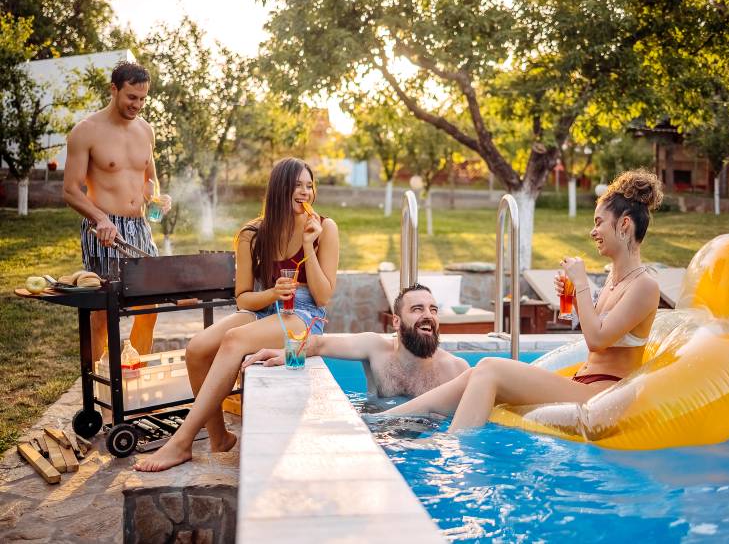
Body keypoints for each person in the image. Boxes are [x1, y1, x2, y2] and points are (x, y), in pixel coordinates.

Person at [385, 169, 663, 432]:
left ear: (624, 224)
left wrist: (580, 284)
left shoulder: (645, 286)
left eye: (599, 222)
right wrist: (575, 299)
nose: (593, 232)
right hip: (582, 381)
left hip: (601, 394)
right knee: (479, 370)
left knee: (491, 369)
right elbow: (595, 334)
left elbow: (598, 339)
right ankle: (387, 419)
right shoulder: (614, 281)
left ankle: (453, 449)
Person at [133, 157, 339, 472]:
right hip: (266, 306)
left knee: (233, 340)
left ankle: (182, 442)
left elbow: (324, 296)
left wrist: (309, 245)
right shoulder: (252, 234)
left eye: (309, 186)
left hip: (304, 316)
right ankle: (219, 439)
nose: (305, 192)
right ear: (279, 189)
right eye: (297, 185)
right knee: (197, 348)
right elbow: (243, 298)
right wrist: (271, 293)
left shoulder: (324, 227)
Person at [63, 61, 172, 363]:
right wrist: (99, 217)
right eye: (131, 97)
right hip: (103, 230)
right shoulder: (86, 132)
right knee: (102, 312)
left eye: (142, 99)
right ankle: (104, 380)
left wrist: (156, 199)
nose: (137, 105)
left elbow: (149, 178)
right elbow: (70, 189)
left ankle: (132, 372)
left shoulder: (146, 130)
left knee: (149, 307)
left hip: (139, 228)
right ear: (114, 89)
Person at [244, 283, 470, 398]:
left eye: (433, 309)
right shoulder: (375, 349)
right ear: (397, 322)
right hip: (380, 439)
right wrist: (288, 353)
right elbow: (320, 343)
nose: (428, 315)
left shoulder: (456, 369)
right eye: (417, 309)